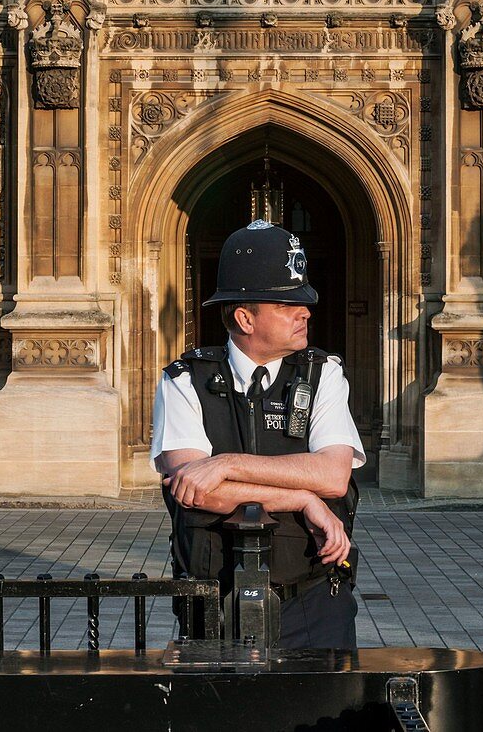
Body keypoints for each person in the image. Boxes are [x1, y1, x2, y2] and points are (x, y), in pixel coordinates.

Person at [150, 219, 366, 649]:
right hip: (214, 603)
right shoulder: (184, 380)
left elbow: (332, 476)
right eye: (286, 305)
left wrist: (228, 464)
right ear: (245, 318)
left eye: (303, 302)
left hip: (314, 601)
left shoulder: (323, 375)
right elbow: (198, 492)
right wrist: (303, 499)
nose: (305, 312)